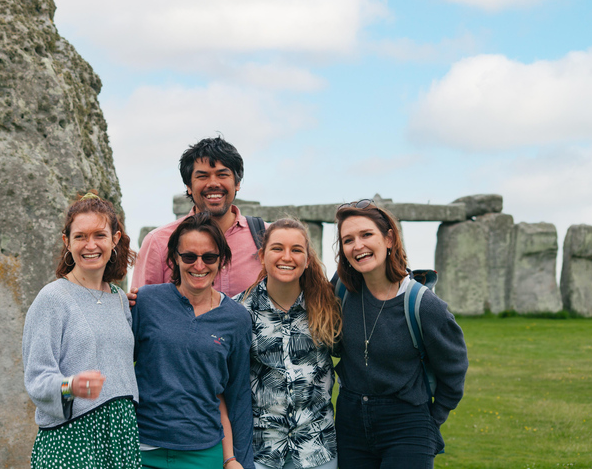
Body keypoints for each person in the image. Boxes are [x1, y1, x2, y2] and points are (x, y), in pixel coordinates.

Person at [332, 199, 468, 469]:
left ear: (390, 238)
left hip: (407, 422)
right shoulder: (340, 290)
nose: (357, 245)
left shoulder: (424, 304)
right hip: (350, 420)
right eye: (348, 240)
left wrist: (433, 417)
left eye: (366, 234)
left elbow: (454, 368)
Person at [22, 191, 140, 469]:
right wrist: (70, 385)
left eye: (99, 235)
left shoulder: (120, 299)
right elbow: (37, 378)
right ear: (67, 242)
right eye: (80, 236)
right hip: (73, 439)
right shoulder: (53, 298)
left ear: (115, 238)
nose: (90, 245)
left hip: (121, 437)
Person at [132, 212, 255, 469]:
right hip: (142, 447)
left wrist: (237, 460)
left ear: (221, 260)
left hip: (203, 452)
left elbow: (238, 394)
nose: (199, 266)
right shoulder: (145, 302)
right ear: (174, 259)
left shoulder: (237, 318)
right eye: (189, 256)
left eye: (209, 257)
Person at [236, 219, 343, 469]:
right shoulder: (239, 310)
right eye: (277, 248)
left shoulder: (328, 306)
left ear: (307, 259)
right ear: (262, 256)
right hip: (260, 451)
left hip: (317, 449)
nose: (287, 257)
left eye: (296, 250)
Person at [132, 136, 264, 296]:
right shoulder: (159, 243)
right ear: (188, 186)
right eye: (202, 176)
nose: (213, 183)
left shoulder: (267, 238)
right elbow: (141, 309)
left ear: (237, 183)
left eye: (222, 175)